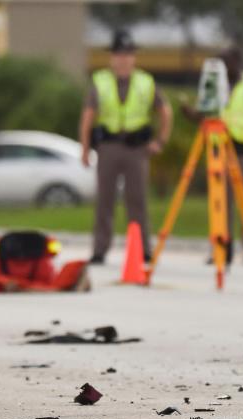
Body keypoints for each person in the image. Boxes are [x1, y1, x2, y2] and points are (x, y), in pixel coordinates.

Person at [79, 29, 173, 265]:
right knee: (105, 200)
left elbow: (165, 111)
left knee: (137, 200)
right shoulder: (100, 81)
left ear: (134, 57)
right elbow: (88, 116)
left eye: (127, 54)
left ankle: (143, 248)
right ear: (112, 58)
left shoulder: (145, 82)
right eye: (119, 54)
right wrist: (84, 147)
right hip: (109, 146)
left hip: (136, 148)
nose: (123, 59)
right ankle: (100, 248)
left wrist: (160, 141)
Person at [184, 46, 243, 265]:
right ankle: (222, 247)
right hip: (220, 150)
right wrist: (192, 115)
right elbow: (206, 113)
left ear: (238, 61)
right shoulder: (215, 82)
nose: (225, 67)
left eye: (228, 62)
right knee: (220, 201)